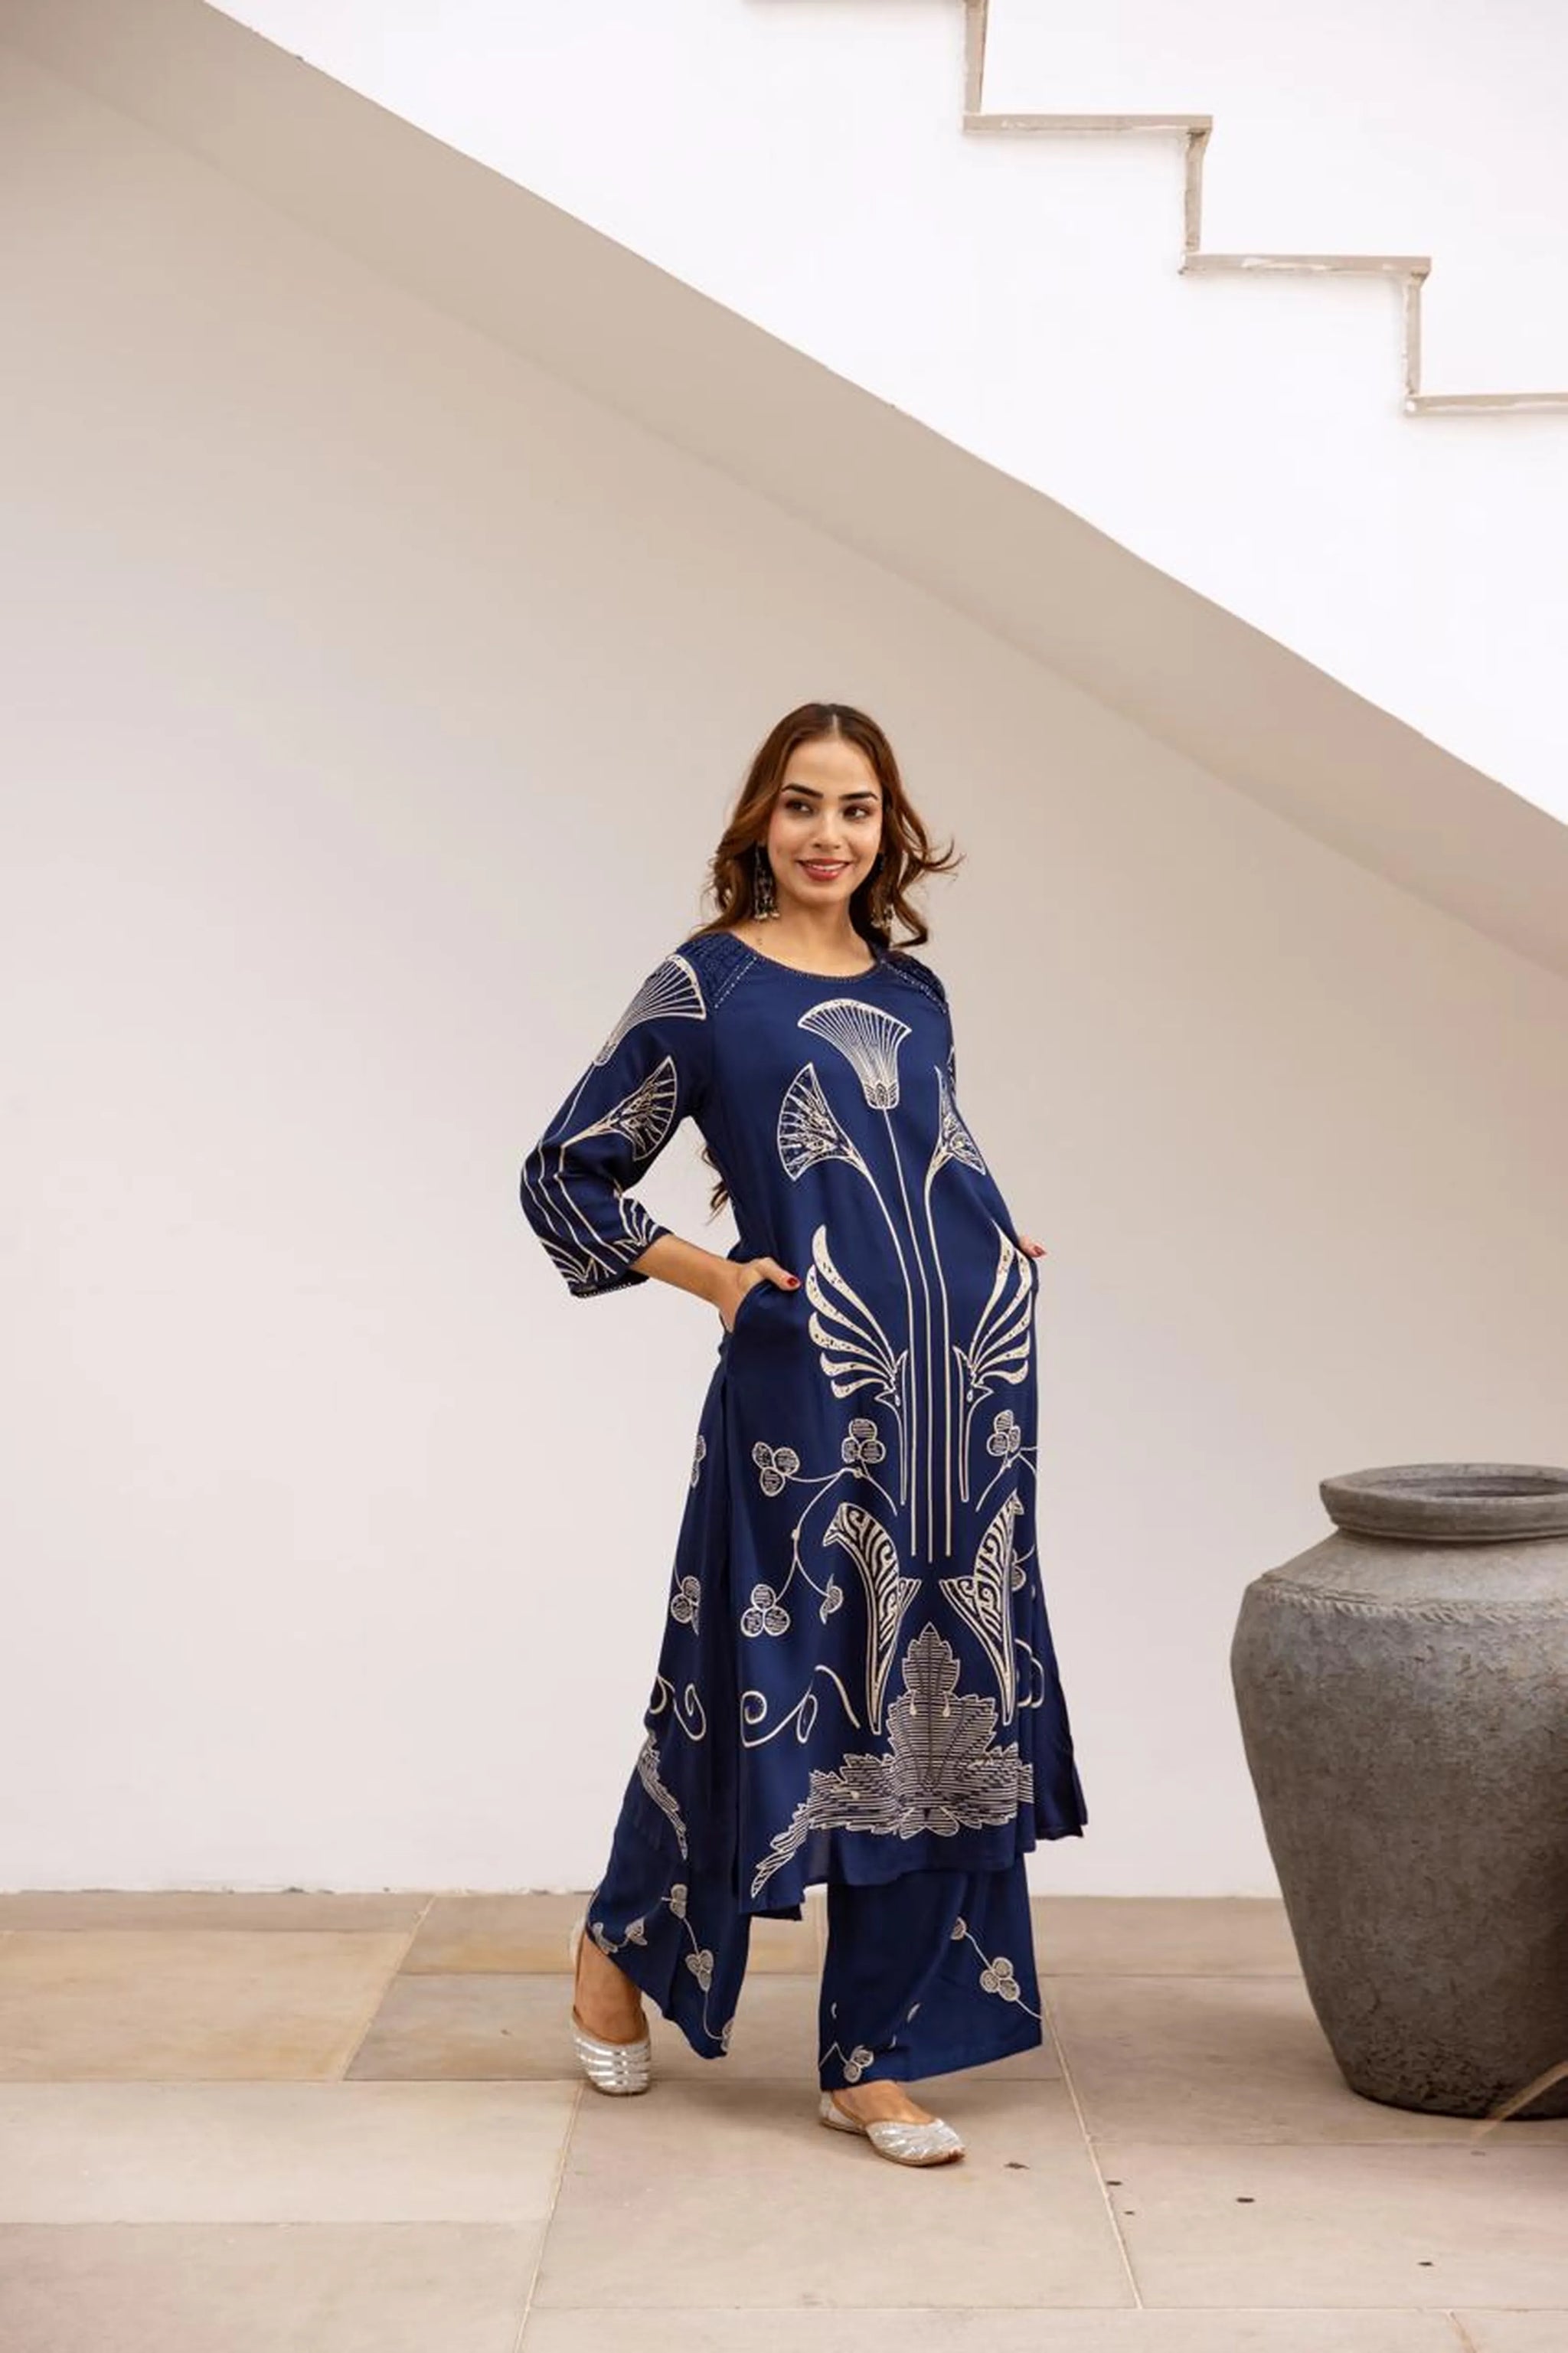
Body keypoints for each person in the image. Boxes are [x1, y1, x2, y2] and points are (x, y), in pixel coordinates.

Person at [519, 702, 1087, 2167]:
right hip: (804, 1401)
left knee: (937, 1701)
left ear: (892, 829)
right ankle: (621, 1939)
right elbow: (565, 1172)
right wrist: (712, 1279)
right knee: (753, 1682)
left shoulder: (916, 993)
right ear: (759, 822)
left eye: (856, 808)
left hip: (966, 1399)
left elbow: (931, 1150)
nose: (829, 834)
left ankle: (873, 2054)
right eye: (801, 804)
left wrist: (996, 1232)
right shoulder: (705, 985)